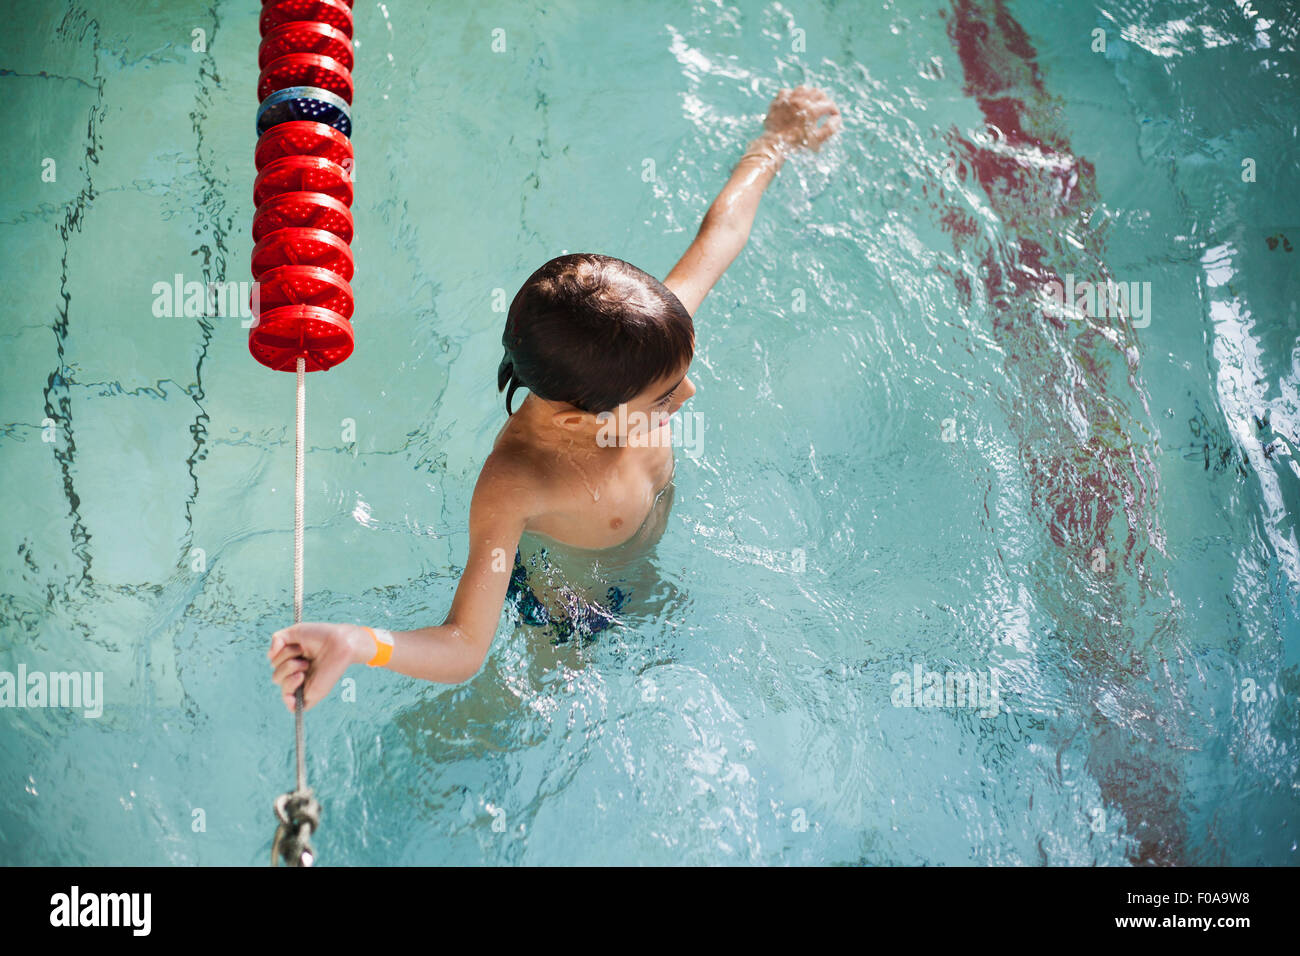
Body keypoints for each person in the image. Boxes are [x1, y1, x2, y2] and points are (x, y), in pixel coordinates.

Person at [268, 85, 841, 711]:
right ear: (576, 418)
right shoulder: (518, 484)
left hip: (640, 562)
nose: (688, 394)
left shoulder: (646, 348)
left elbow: (722, 234)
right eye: (664, 398)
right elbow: (462, 646)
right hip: (570, 607)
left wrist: (774, 141)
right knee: (524, 710)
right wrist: (357, 642)